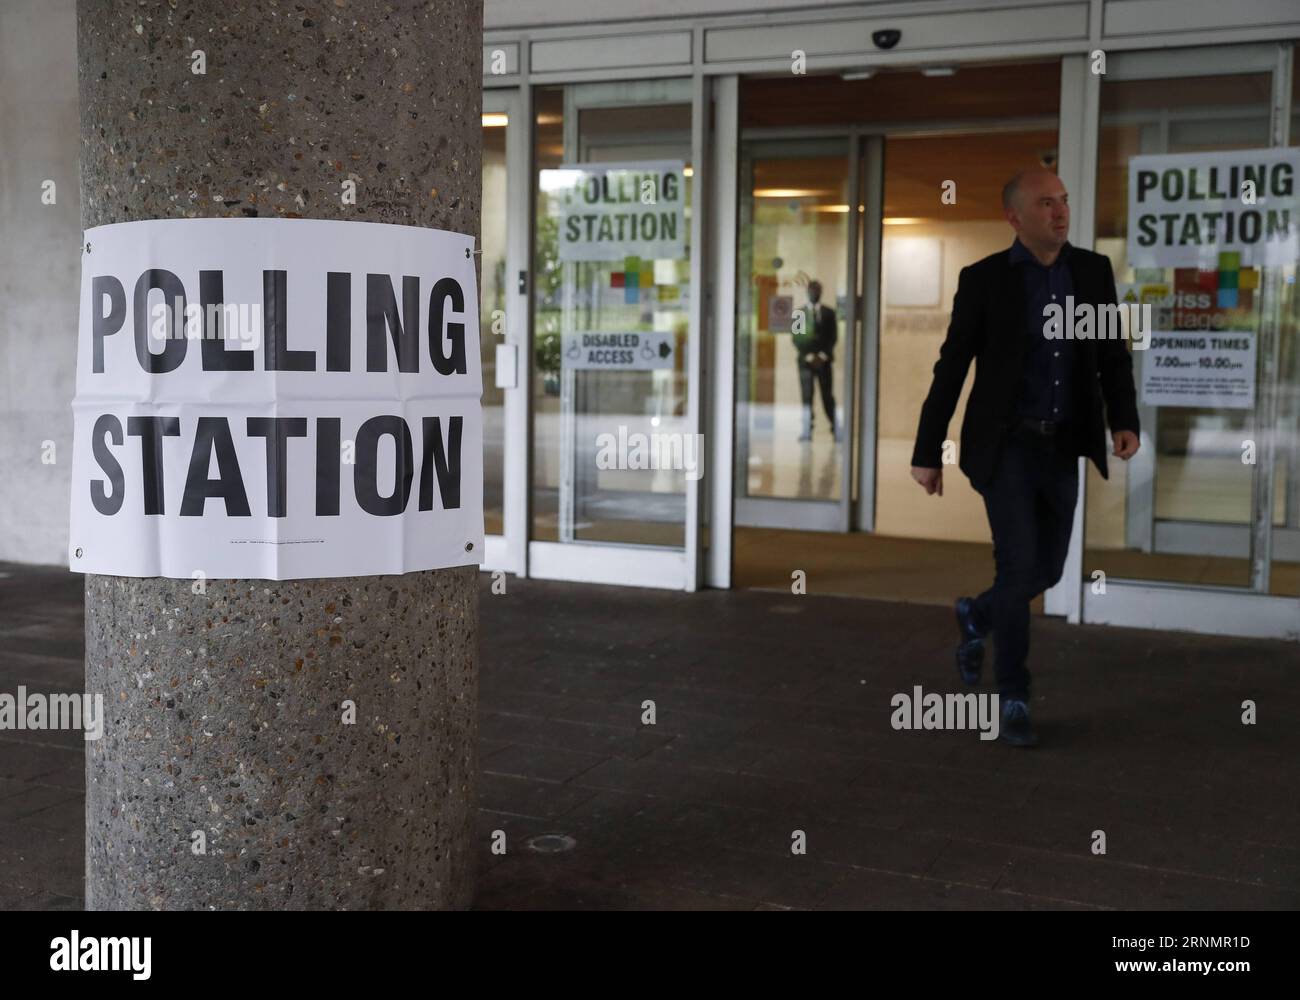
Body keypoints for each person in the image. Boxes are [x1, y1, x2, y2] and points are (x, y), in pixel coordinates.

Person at [909, 167, 1140, 747]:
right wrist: (927, 450)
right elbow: (952, 367)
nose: (1060, 212)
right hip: (1005, 444)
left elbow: (1112, 354)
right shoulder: (985, 280)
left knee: (1048, 570)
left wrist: (1124, 417)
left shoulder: (1091, 271)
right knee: (1017, 569)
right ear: (1014, 218)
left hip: (1062, 443)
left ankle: (976, 617)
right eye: (1045, 204)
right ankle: (1012, 694)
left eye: (1063, 201)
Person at [793, 280, 839, 441]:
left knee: (827, 396)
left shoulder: (829, 313)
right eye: (812, 290)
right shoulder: (799, 314)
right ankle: (807, 429)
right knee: (807, 397)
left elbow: (833, 337)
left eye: (817, 290)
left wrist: (822, 356)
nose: (814, 293)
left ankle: (835, 427)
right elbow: (797, 339)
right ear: (807, 292)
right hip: (805, 362)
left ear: (821, 292)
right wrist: (810, 356)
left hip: (824, 361)